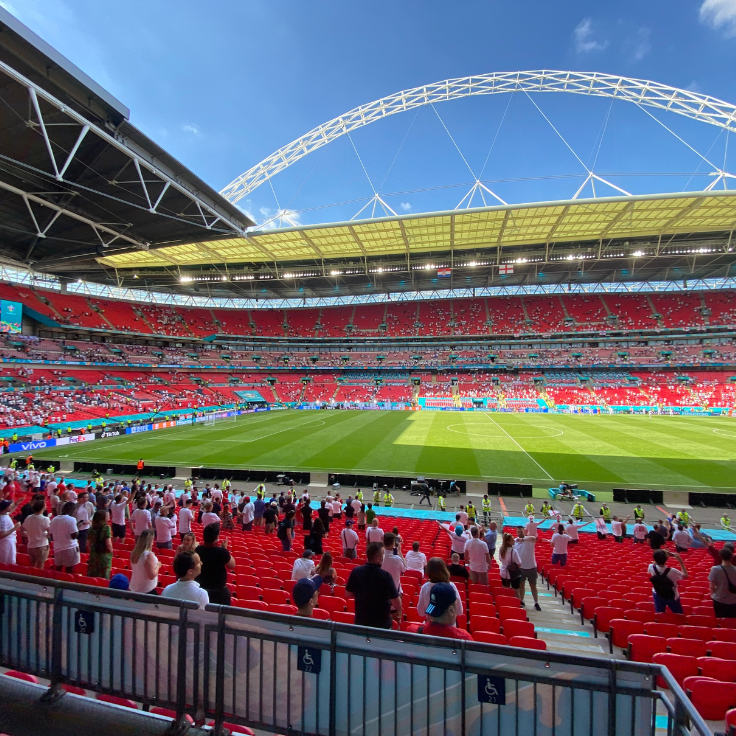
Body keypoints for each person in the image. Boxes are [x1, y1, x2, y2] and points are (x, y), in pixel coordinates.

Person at [345, 542, 402, 629]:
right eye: (383, 554)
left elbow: (348, 593)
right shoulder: (386, 576)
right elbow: (396, 603)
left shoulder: (356, 571)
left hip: (361, 622)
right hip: (381, 625)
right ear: (378, 558)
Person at [196, 523, 236, 605]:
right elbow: (232, 565)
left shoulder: (198, 550)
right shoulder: (221, 552)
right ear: (217, 537)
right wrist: (225, 549)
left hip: (201, 589)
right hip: (218, 592)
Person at [648, 549, 687, 614]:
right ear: (666, 559)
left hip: (657, 593)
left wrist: (660, 555)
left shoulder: (651, 567)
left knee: (659, 613)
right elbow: (685, 576)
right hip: (672, 595)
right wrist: (681, 561)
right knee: (678, 614)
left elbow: (654, 562)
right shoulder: (673, 571)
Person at [49, 500, 80, 572]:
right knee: (69, 569)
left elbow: (51, 535)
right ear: (73, 510)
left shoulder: (54, 519)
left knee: (58, 569)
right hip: (70, 547)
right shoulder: (72, 519)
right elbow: (73, 536)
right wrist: (77, 528)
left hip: (57, 548)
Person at [515, 528, 541, 610]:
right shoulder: (515, 541)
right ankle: (522, 600)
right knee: (521, 584)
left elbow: (534, 538)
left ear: (525, 531)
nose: (520, 533)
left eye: (521, 531)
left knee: (533, 585)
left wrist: (522, 539)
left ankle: (536, 602)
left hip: (531, 567)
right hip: (521, 567)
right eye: (518, 532)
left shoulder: (529, 539)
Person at [129, 529, 161, 594]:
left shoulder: (134, 553)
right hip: (147, 590)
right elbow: (151, 576)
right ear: (151, 541)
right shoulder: (148, 555)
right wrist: (158, 566)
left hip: (135, 588)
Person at [21, 498, 49, 569]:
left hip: (30, 545)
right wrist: (44, 536)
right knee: (40, 567)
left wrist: (30, 534)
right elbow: (50, 532)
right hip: (41, 545)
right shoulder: (45, 519)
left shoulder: (29, 517)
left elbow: (22, 530)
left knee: (32, 565)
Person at [709, 547, 736, 618]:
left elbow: (712, 586)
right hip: (734, 600)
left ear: (720, 556)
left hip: (719, 599)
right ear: (731, 556)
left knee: (720, 620)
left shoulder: (715, 569)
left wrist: (713, 595)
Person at [87, 509, 113, 579]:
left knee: (93, 575)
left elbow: (88, 543)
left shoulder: (91, 528)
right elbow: (108, 543)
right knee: (103, 577)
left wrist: (92, 550)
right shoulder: (106, 528)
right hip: (104, 555)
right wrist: (111, 551)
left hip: (93, 554)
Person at [0, 499, 20, 564]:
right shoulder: (2, 519)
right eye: (9, 506)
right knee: (7, 561)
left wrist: (17, 504)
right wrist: (14, 528)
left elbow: (10, 511)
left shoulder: (4, 514)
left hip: (8, 541)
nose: (10, 506)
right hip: (6, 542)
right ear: (4, 508)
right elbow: (1, 535)